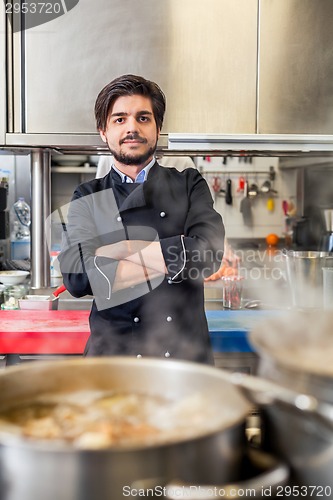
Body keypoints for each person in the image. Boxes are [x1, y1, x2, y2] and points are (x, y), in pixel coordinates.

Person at [58, 74, 225, 364]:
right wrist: (174, 250)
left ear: (157, 128)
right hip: (112, 361)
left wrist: (112, 254)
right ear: (103, 131)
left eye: (143, 118)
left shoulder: (188, 184)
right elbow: (76, 277)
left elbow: (208, 252)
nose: (132, 128)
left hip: (182, 361)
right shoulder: (87, 195)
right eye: (119, 119)